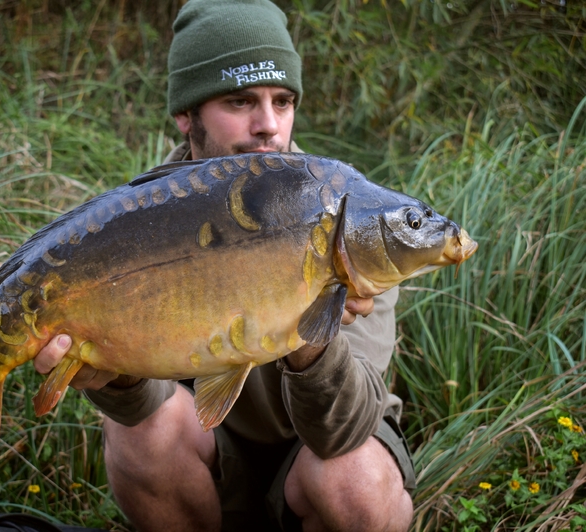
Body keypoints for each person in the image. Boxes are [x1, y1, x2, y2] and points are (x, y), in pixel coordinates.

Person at [34, 1, 416, 530]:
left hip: (315, 454)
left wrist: (313, 331)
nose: (268, 127)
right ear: (185, 115)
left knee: (355, 481)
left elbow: (342, 431)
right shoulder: (133, 222)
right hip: (209, 454)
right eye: (240, 101)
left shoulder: (355, 218)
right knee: (140, 436)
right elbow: (143, 406)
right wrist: (114, 379)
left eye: (283, 102)